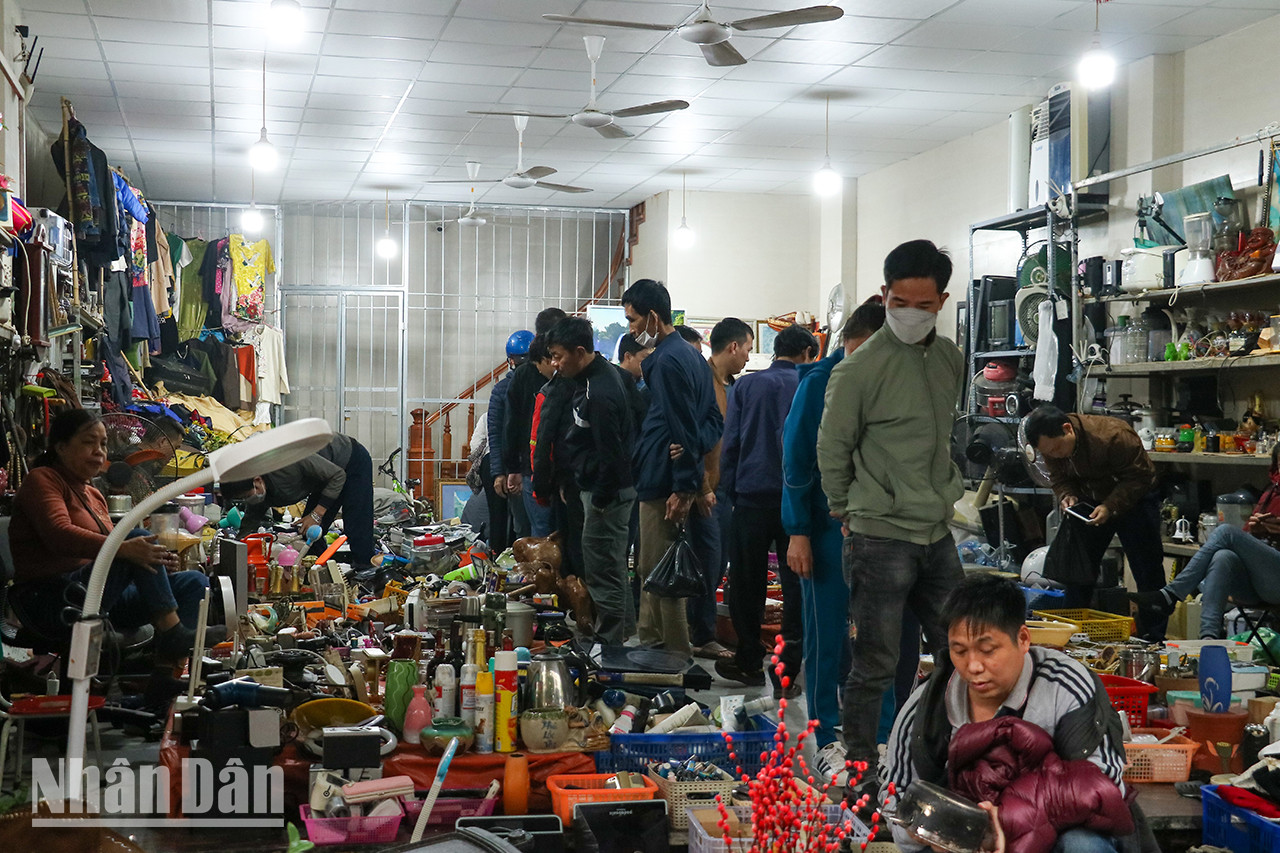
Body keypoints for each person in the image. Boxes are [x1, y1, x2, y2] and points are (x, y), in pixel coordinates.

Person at [816, 239, 966, 806]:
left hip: (936, 530)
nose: (909, 313)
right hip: (878, 533)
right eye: (898, 301)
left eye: (922, 305)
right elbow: (831, 449)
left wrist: (944, 491)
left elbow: (942, 437)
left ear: (941, 302)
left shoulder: (950, 359)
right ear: (884, 295)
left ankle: (947, 757)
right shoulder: (858, 370)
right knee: (874, 662)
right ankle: (860, 769)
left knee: (962, 651)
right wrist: (844, 511)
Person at [880, 574, 1146, 853]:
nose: (973, 666)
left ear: (1022, 639)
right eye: (960, 651)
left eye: (987, 650)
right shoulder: (927, 707)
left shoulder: (1065, 685)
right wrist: (940, 831)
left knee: (1084, 844)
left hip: (1053, 837)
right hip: (957, 845)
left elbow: (1103, 783)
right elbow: (895, 799)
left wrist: (1001, 825)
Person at [784, 301, 920, 782]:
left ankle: (880, 737)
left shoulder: (899, 382)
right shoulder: (819, 384)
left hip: (883, 530)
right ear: (850, 343)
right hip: (823, 530)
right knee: (825, 636)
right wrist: (798, 530)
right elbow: (797, 463)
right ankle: (826, 739)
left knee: (879, 638)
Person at [8, 409, 215, 667]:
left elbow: (117, 552)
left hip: (98, 594)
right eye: (88, 442)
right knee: (134, 539)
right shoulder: (42, 480)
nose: (99, 451)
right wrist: (128, 549)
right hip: (52, 599)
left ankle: (168, 677)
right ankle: (173, 634)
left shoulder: (94, 495)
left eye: (103, 444)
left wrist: (155, 561)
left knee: (193, 582)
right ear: (61, 447)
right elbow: (58, 534)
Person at [716, 323, 818, 695]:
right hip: (798, 502)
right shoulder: (810, 384)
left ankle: (747, 661)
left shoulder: (746, 385)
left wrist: (729, 490)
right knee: (795, 587)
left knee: (746, 583)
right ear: (808, 353)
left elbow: (732, 443)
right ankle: (786, 674)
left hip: (751, 496)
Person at [625, 279, 723, 657]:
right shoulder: (692, 357)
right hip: (668, 478)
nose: (632, 329)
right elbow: (712, 422)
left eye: (633, 320)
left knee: (660, 573)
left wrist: (684, 488)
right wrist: (695, 444)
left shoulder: (664, 362)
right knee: (655, 568)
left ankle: (671, 659)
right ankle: (653, 649)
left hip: (664, 484)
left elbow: (684, 424)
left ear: (652, 316)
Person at [1023, 405, 1165, 640]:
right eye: (1049, 452)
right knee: (1077, 570)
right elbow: (1058, 477)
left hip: (1134, 499)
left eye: (1058, 448)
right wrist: (1066, 494)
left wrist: (1110, 506)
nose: (1056, 454)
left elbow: (1142, 476)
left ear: (1067, 428)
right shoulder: (1049, 446)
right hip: (1090, 500)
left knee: (1147, 571)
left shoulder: (1114, 436)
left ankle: (1155, 637)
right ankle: (1069, 635)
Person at [545, 316, 640, 643]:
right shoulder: (592, 378)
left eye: (559, 356)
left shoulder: (599, 389)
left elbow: (611, 453)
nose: (555, 364)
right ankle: (623, 636)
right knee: (610, 569)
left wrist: (598, 498)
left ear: (580, 350)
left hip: (608, 496)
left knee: (603, 574)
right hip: (603, 490)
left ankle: (611, 644)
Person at [1131, 442, 1280, 638]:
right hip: (1260, 580)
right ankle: (1208, 638)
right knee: (1223, 556)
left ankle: (1171, 594)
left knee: (1226, 531)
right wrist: (1256, 529)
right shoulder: (1272, 492)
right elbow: (1250, 538)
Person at [689, 318, 753, 660]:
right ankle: (701, 634)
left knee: (719, 560)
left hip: (727, 488)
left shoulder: (731, 385)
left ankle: (704, 628)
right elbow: (695, 438)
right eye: (746, 348)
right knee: (708, 561)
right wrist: (701, 486)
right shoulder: (703, 381)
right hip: (707, 489)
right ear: (732, 347)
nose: (747, 356)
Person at [221, 433, 377, 568]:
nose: (248, 500)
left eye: (246, 496)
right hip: (324, 478)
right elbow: (251, 519)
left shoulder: (287, 459)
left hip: (349, 461)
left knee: (357, 524)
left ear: (257, 481)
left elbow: (337, 476)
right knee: (309, 533)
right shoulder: (258, 485)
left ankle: (365, 573)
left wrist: (317, 514)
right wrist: (238, 548)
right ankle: (321, 571)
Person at [503, 308, 567, 537]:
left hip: (560, 470)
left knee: (556, 531)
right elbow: (511, 423)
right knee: (540, 531)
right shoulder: (525, 375)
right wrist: (513, 467)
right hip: (533, 467)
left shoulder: (569, 375)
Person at [488, 329, 535, 548]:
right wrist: (499, 473)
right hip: (516, 471)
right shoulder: (502, 389)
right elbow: (495, 432)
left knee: (539, 530)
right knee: (523, 530)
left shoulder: (543, 386)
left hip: (536, 470)